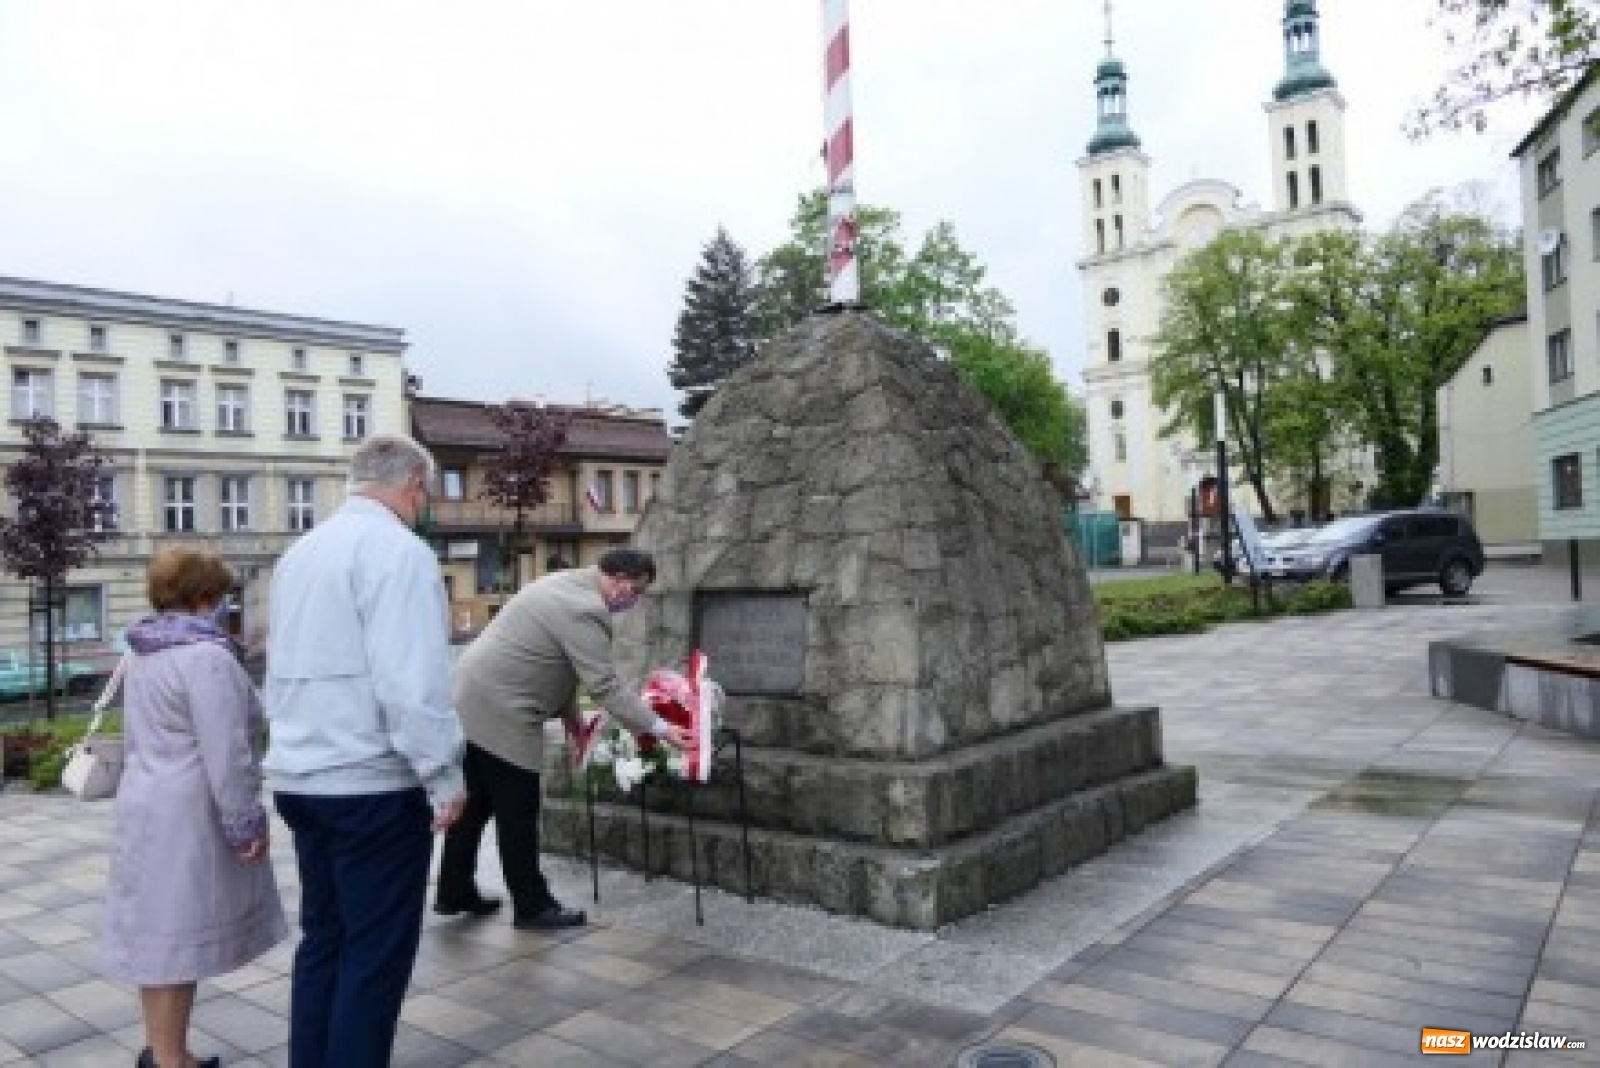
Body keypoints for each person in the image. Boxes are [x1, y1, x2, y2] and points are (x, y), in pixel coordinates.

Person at [263, 434, 467, 1068]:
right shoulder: (400, 552)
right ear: (414, 485)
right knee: (374, 955)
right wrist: (443, 773)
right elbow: (412, 681)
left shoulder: (301, 552)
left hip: (302, 774)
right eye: (425, 494)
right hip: (370, 782)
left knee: (323, 941)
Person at [437, 547, 691, 930]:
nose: (635, 600)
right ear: (620, 581)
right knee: (518, 813)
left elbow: (556, 662)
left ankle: (454, 890)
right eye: (637, 591)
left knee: (475, 805)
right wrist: (660, 728)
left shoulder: (565, 583)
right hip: (504, 711)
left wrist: (572, 719)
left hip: (471, 698)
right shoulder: (586, 610)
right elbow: (604, 685)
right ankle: (532, 906)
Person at [102, 549, 288, 1068]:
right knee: (175, 940)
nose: (225, 605)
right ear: (205, 597)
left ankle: (166, 1052)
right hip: (187, 813)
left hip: (145, 801)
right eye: (222, 595)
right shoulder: (206, 658)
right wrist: (245, 824)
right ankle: (170, 1060)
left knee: (158, 938)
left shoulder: (144, 650)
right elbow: (227, 753)